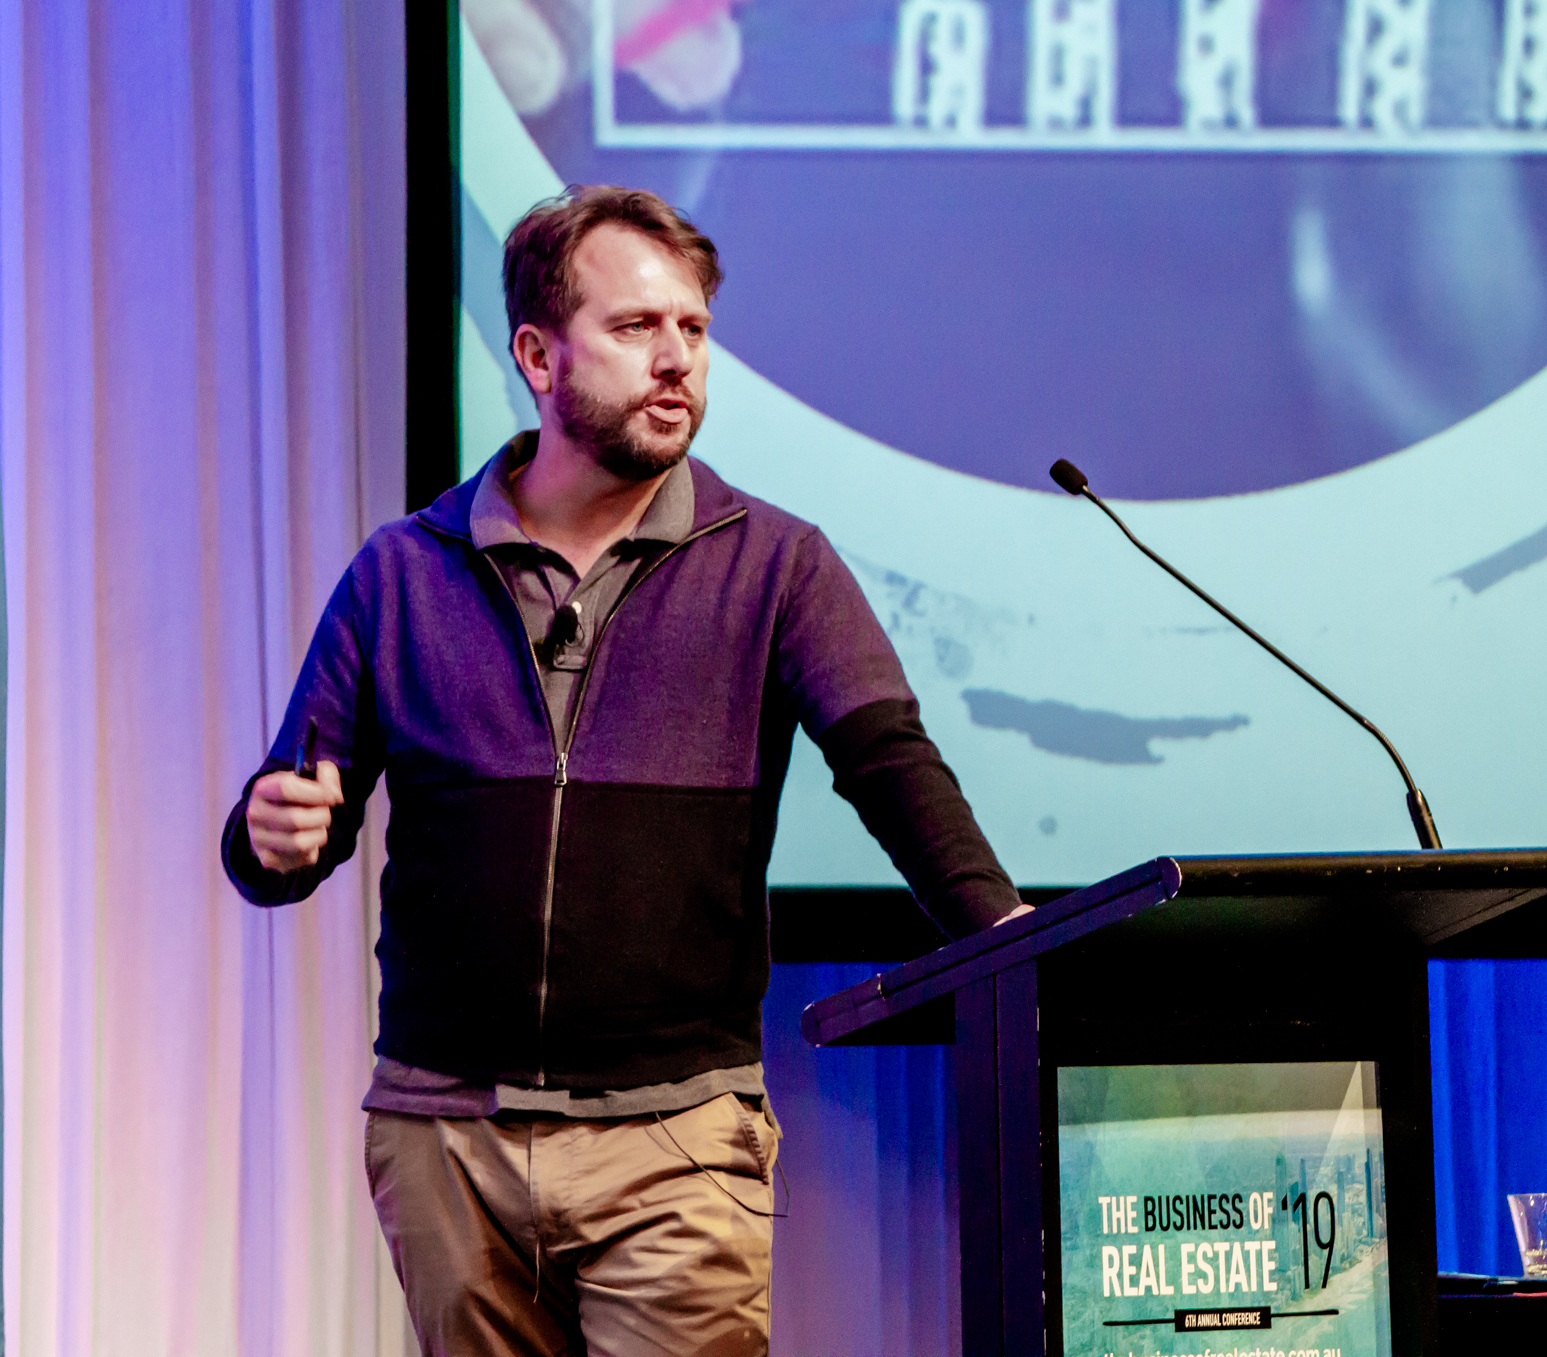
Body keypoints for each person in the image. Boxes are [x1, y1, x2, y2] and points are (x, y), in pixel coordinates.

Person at [222, 184, 1024, 1356]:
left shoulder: (777, 565)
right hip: (447, 1136)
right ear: (538, 357)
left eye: (693, 328)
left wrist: (1001, 928)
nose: (677, 359)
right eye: (637, 326)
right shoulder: (405, 571)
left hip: (678, 1136)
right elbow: (293, 821)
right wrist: (268, 834)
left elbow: (888, 760)